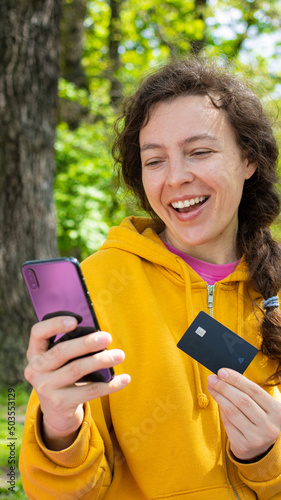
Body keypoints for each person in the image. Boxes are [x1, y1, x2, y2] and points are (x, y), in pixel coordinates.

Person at [20, 56, 281, 499]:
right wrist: (60, 428)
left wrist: (267, 456)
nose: (177, 177)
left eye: (199, 151)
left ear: (248, 159)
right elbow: (66, 492)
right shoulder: (100, 284)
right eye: (154, 160)